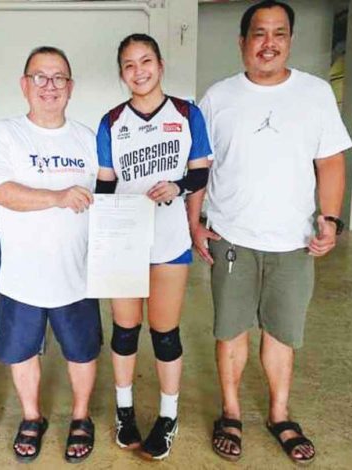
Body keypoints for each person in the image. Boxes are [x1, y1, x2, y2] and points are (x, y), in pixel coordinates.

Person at [192, 0, 352, 465]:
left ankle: (280, 415)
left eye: (279, 33)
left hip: (293, 241)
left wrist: (331, 218)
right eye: (259, 33)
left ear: (290, 41)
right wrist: (195, 223)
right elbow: (200, 167)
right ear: (242, 42)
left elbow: (331, 162)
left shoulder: (316, 93)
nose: (269, 43)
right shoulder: (218, 97)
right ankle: (231, 412)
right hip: (232, 238)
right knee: (231, 329)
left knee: (282, 332)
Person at [0, 46, 100, 464]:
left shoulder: (87, 138)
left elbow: (107, 197)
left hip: (78, 273)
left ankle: (81, 417)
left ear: (71, 86)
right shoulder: (5, 135)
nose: (50, 86)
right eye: (40, 77)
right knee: (23, 351)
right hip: (22, 275)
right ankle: (32, 417)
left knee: (82, 351)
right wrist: (57, 196)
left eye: (59, 78)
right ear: (24, 84)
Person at [95, 33, 212, 460]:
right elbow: (105, 184)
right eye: (128, 64)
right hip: (125, 239)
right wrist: (103, 230)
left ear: (160, 65)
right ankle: (124, 412)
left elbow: (200, 174)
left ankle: (168, 415)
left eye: (146, 61)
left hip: (169, 239)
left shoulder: (186, 114)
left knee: (165, 333)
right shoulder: (111, 122)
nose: (138, 71)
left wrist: (177, 186)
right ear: (121, 72)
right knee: (125, 331)